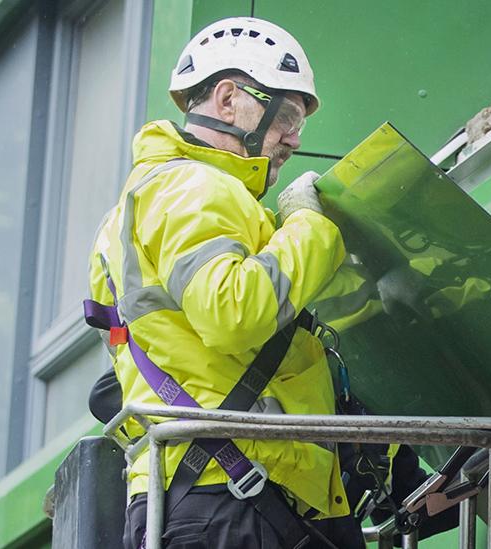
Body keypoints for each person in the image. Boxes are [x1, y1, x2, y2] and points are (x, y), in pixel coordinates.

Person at [86, 17, 350, 548]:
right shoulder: (196, 187)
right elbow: (236, 314)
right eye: (288, 115)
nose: (295, 138)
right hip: (232, 495)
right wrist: (310, 226)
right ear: (229, 99)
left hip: (208, 492)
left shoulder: (147, 201)